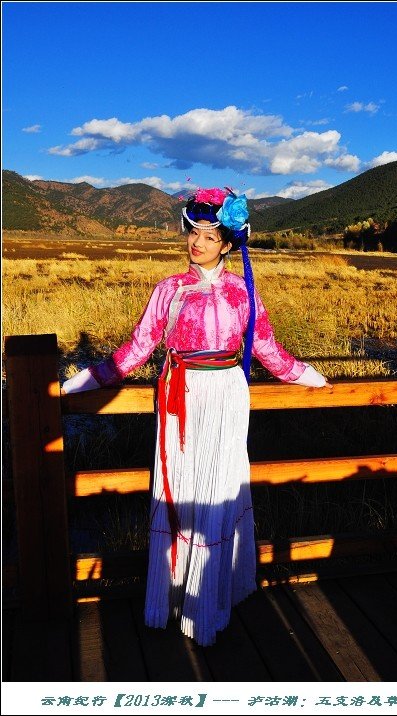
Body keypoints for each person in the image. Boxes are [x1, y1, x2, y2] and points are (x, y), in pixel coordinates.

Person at [62, 187, 331, 646]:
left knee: (218, 490)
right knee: (183, 490)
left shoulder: (243, 290)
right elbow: (138, 348)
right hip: (180, 396)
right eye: (194, 232)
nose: (198, 242)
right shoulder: (168, 290)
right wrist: (84, 381)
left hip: (226, 396)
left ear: (227, 244)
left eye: (210, 235)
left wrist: (307, 376)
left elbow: (266, 348)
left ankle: (209, 602)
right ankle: (174, 597)